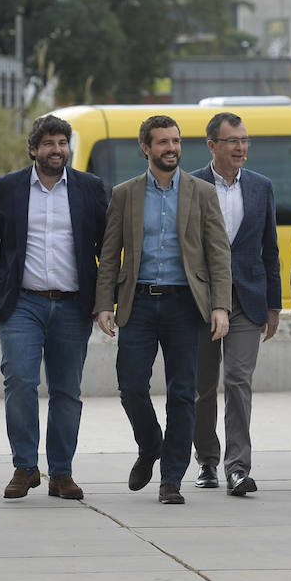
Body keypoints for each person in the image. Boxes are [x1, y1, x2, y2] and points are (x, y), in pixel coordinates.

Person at [0, 115, 107, 501]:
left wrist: (105, 300)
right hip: (22, 303)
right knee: (20, 383)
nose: (56, 150)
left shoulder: (90, 188)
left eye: (62, 142)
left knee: (67, 391)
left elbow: (107, 250)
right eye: (48, 143)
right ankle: (25, 467)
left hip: (73, 305)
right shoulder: (8, 187)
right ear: (33, 149)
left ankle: (61, 473)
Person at [94, 115, 233, 505]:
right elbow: (109, 254)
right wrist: (104, 303)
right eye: (162, 142)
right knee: (131, 387)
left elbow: (218, 254)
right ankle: (150, 443)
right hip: (137, 301)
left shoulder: (202, 192)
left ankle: (172, 477)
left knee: (183, 393)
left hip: (185, 305)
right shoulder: (125, 194)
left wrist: (220, 305)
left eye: (175, 141)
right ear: (146, 148)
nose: (171, 148)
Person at [190, 112, 281, 497]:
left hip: (247, 300)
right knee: (202, 387)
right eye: (232, 141)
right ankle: (207, 460)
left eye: (244, 140)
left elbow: (269, 249)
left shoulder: (262, 186)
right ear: (213, 145)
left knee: (238, 380)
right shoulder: (190, 185)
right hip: (201, 300)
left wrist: (274, 305)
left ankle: (238, 468)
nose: (241, 147)